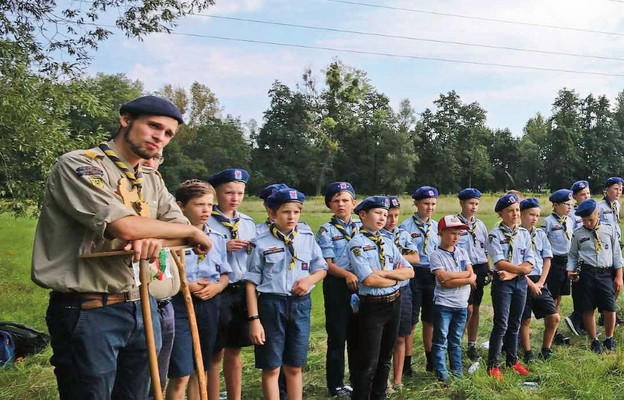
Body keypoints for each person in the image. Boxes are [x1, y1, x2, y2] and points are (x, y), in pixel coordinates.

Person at [31, 96, 213, 399]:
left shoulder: (150, 178)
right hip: (91, 309)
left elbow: (180, 231)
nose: (160, 138)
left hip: (144, 304)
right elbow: (125, 226)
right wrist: (186, 231)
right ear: (126, 120)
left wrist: (161, 234)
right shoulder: (81, 164)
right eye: (154, 126)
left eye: (168, 134)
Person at [245, 188, 328, 400]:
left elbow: (321, 268)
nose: (292, 217)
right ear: (273, 214)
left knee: (294, 365)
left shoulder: (307, 237)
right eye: (285, 212)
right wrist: (254, 319)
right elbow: (251, 282)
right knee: (272, 366)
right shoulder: (260, 241)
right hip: (271, 306)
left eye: (296, 212)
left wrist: (309, 280)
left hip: (300, 305)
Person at [167, 180, 231, 400]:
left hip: (209, 303)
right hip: (180, 304)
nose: (206, 210)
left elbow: (225, 273)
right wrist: (186, 285)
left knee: (201, 368)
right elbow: (162, 276)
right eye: (199, 204)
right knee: (181, 372)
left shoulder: (218, 237)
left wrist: (217, 287)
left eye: (209, 205)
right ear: (181, 205)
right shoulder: (170, 238)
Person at [348, 196, 414, 400]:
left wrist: (384, 275)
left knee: (386, 356)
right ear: (362, 215)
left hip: (393, 302)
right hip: (373, 307)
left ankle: (380, 395)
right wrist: (395, 277)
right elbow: (368, 279)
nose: (382, 218)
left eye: (385, 214)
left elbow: (410, 271)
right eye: (378, 213)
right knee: (369, 360)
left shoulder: (387, 241)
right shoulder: (356, 243)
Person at [207, 168, 256, 400]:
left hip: (241, 290)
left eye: (240, 193)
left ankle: (235, 396)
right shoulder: (206, 221)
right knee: (214, 352)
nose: (235, 198)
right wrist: (222, 248)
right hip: (217, 291)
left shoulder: (247, 222)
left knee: (235, 350)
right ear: (217, 193)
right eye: (229, 192)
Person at [142, 153, 181, 399]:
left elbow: (181, 224)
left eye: (156, 158)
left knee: (160, 375)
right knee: (142, 376)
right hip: (139, 302)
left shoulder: (159, 198)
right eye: (146, 157)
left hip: (166, 304)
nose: (149, 162)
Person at [316, 182, 360, 398]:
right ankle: (336, 384)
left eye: (345, 200)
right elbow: (327, 263)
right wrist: (348, 275)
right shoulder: (327, 230)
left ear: (354, 202)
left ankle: (358, 378)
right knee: (337, 335)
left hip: (362, 286)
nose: (341, 204)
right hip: (338, 285)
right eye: (336, 200)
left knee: (358, 335)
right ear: (330, 205)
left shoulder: (362, 226)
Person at [486, 193, 534, 381]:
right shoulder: (494, 234)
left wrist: (515, 273)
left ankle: (512, 361)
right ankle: (493, 364)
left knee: (515, 322)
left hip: (519, 282)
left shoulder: (523, 233)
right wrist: (519, 269)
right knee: (501, 324)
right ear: (500, 214)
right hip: (502, 284)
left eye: (517, 210)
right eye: (510, 211)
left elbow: (530, 262)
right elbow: (499, 263)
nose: (515, 214)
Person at [567, 199, 623, 353]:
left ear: (598, 213)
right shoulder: (578, 233)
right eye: (584, 220)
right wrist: (570, 270)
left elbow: (617, 255)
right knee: (588, 308)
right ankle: (594, 340)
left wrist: (619, 276)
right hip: (587, 273)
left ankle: (609, 338)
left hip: (605, 273)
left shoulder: (609, 230)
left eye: (590, 219)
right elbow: (572, 255)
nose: (588, 223)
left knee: (609, 308)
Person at [398, 186, 439, 374]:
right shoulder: (405, 227)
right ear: (416, 204)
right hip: (413, 274)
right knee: (411, 321)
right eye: (425, 204)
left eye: (432, 204)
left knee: (430, 320)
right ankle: (406, 362)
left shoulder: (438, 226)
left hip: (431, 275)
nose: (429, 207)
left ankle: (430, 359)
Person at [380, 196, 419, 391]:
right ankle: (383, 380)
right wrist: (393, 261)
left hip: (404, 288)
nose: (392, 220)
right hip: (383, 290)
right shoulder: (374, 236)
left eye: (395, 215)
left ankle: (398, 379)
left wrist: (398, 258)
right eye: (388, 215)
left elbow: (416, 257)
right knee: (383, 338)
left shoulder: (402, 235)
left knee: (402, 335)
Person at [430, 215, 475, 381]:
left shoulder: (462, 252)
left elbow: (472, 276)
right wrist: (467, 278)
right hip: (444, 304)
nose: (456, 237)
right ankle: (442, 374)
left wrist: (453, 276)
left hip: (461, 304)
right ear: (441, 233)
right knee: (441, 339)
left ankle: (457, 372)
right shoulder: (436, 255)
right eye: (452, 233)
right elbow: (444, 282)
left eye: (459, 233)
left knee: (456, 340)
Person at [518, 198, 559, 363]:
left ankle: (546, 349)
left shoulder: (540, 234)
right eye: (531, 214)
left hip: (539, 279)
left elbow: (547, 259)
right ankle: (527, 352)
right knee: (525, 319)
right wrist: (531, 284)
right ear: (521, 214)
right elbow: (515, 264)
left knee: (554, 316)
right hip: (522, 278)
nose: (534, 218)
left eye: (537, 215)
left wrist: (541, 282)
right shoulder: (516, 235)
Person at [455, 188, 490, 362]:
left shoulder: (481, 225)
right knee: (465, 309)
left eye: (476, 204)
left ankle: (472, 344)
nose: (474, 207)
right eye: (470, 203)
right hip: (463, 270)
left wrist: (488, 269)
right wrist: (466, 276)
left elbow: (484, 248)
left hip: (480, 267)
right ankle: (456, 344)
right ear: (462, 203)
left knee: (475, 308)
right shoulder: (455, 224)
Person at [541, 189, 574, 346]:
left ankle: (554, 329)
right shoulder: (548, 222)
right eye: (566, 204)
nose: (570, 207)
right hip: (553, 263)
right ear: (555, 205)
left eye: (571, 204)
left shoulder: (569, 220)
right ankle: (550, 330)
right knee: (552, 298)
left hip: (566, 262)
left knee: (559, 297)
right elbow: (542, 242)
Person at [565, 180, 591, 336]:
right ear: (574, 197)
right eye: (582, 194)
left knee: (588, 290)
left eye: (588, 193)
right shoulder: (572, 215)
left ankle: (583, 320)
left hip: (590, 256)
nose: (586, 196)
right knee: (579, 289)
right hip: (578, 255)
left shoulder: (592, 211)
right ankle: (576, 318)